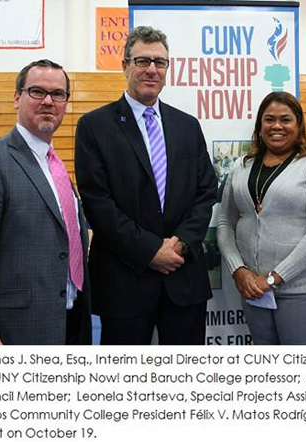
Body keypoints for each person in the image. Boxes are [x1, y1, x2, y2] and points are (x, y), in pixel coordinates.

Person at [75, 26, 217, 345]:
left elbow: (206, 191)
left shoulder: (188, 126)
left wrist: (180, 243)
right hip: (125, 281)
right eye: (142, 60)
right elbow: (98, 204)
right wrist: (151, 251)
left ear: (168, 69)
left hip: (183, 280)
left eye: (160, 62)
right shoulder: (94, 127)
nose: (151, 69)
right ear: (124, 65)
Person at [0, 59, 91, 345]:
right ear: (16, 98)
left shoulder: (57, 167)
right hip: (19, 329)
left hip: (72, 321)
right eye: (37, 92)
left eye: (58, 94)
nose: (49, 101)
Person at [217, 92, 306, 345]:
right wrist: (238, 269)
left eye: (285, 119)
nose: (276, 126)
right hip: (253, 288)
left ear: (299, 124)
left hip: (305, 290)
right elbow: (225, 222)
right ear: (260, 125)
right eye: (269, 119)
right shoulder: (242, 166)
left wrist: (274, 278)